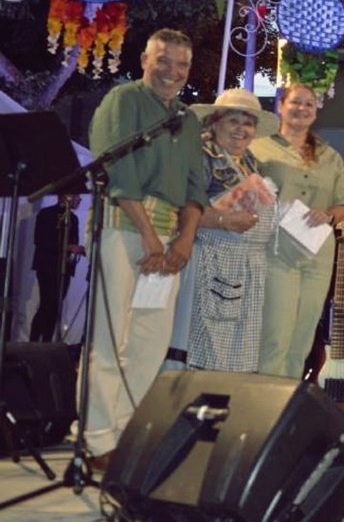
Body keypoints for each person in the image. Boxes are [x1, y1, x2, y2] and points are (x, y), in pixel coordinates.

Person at [85, 28, 206, 470]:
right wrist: (150, 238)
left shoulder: (188, 118)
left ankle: (129, 431)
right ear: (145, 59)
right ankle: (98, 438)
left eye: (182, 65)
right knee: (109, 334)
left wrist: (185, 239)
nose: (172, 72)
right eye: (164, 61)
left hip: (171, 237)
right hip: (123, 228)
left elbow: (197, 184)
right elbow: (117, 170)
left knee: (150, 341)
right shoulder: (124, 100)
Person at [252, 82, 344, 379]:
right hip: (277, 251)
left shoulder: (328, 154)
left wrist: (330, 214)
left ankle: (289, 406)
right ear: (280, 106)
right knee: (275, 333)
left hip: (318, 253)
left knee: (304, 337)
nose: (302, 109)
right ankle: (266, 407)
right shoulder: (259, 147)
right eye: (295, 102)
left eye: (309, 104)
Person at [180, 88, 280, 372]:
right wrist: (224, 220)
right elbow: (184, 207)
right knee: (207, 351)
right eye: (233, 121)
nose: (242, 129)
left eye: (248, 123)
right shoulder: (203, 154)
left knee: (236, 355)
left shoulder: (249, 161)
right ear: (214, 122)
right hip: (213, 261)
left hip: (244, 266)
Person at [29, 194, 84, 343]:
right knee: (47, 304)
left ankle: (47, 341)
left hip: (65, 268)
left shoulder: (73, 219)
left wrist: (77, 249)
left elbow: (73, 242)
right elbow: (40, 240)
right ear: (65, 196)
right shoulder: (46, 214)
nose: (79, 200)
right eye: (76, 196)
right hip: (47, 266)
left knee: (55, 307)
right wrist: (68, 247)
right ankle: (34, 341)